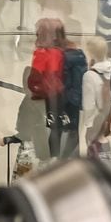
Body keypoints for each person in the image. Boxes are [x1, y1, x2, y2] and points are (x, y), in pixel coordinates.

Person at [29, 18, 67, 160]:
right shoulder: (60, 52)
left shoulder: (41, 54)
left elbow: (34, 78)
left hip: (46, 95)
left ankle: (52, 157)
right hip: (61, 93)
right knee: (58, 127)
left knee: (50, 127)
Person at [82, 37, 111, 158]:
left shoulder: (89, 75)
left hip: (96, 119)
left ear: (91, 53)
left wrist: (88, 123)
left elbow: (88, 104)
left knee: (93, 149)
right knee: (105, 142)